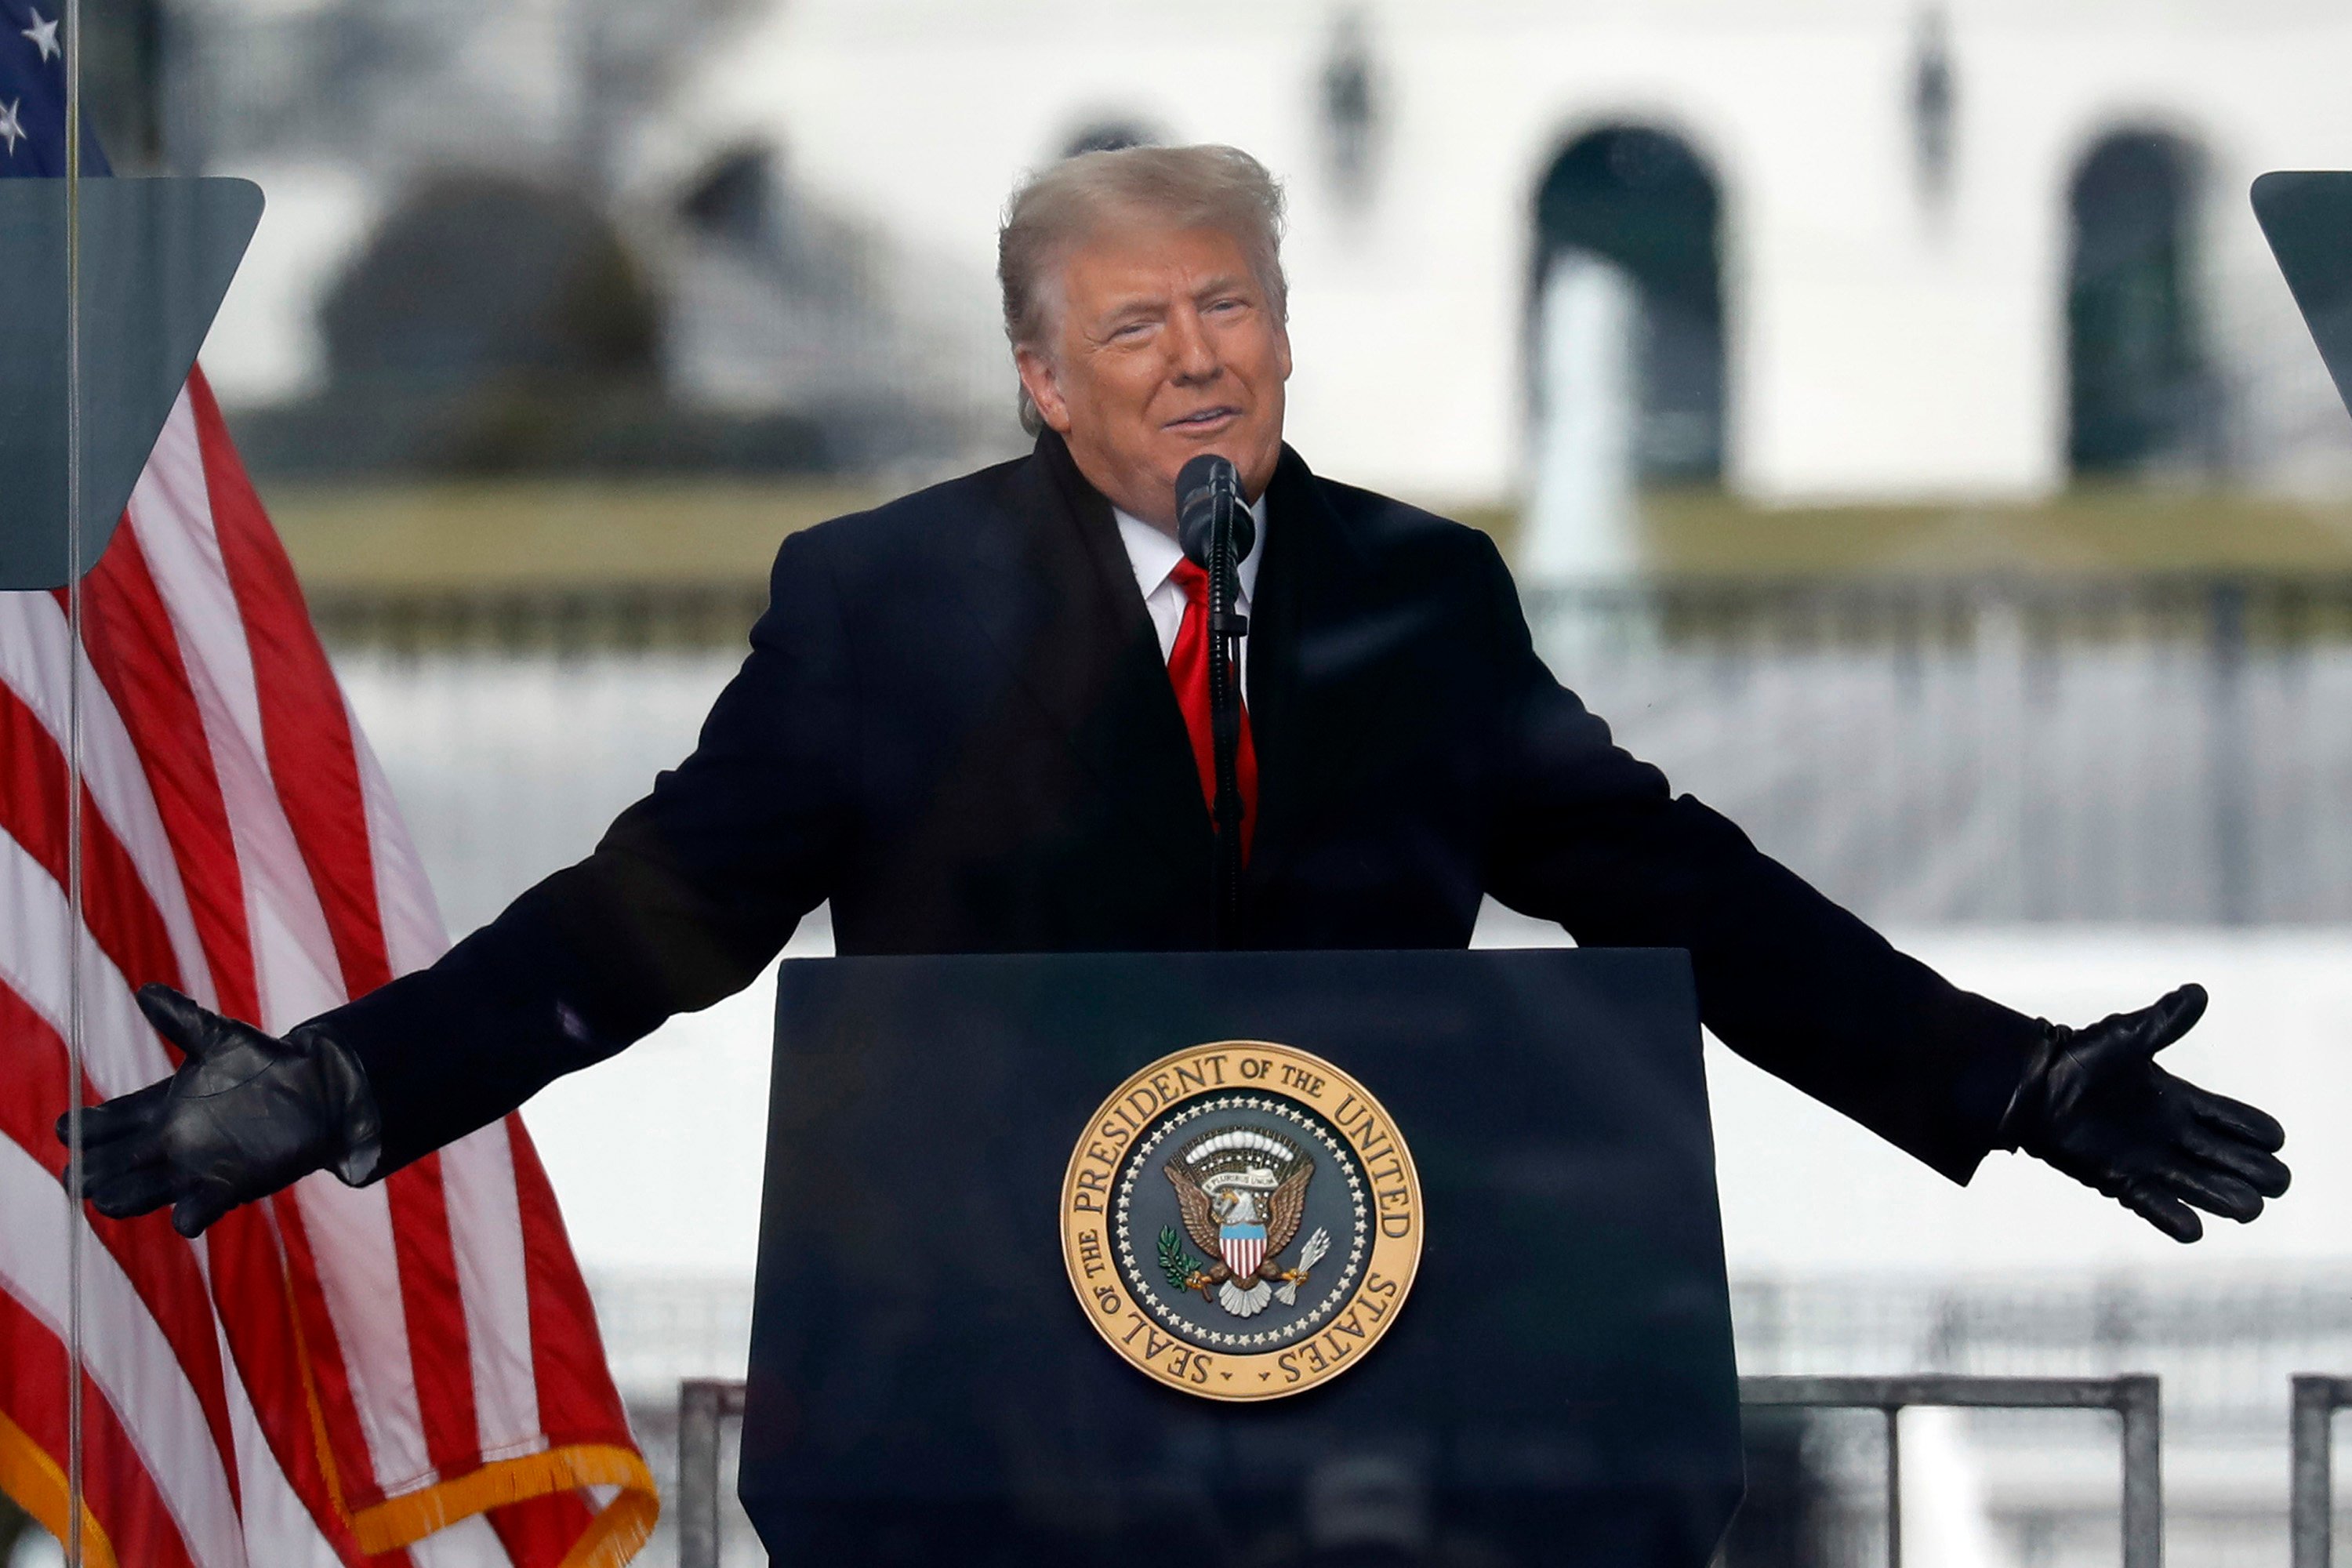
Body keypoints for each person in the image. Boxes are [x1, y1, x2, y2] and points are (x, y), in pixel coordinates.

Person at [67, 144, 2286, 1247]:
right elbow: (649, 918)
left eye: (1230, 307)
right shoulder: (881, 602)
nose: (1199, 357)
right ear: (1039, 377)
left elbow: (1669, 885)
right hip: (982, 1363)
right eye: (1134, 328)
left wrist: (2002, 1080)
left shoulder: (1419, 595)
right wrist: (347, 1083)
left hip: (1376, 1372)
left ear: (1289, 331)